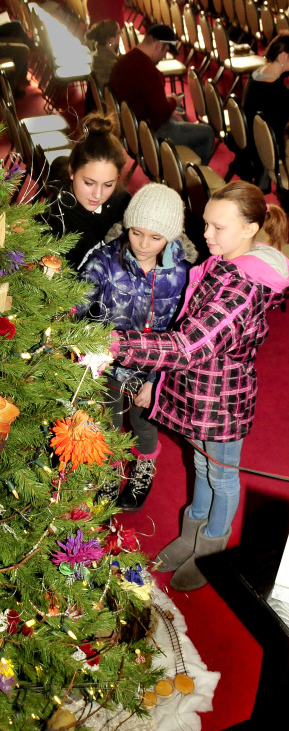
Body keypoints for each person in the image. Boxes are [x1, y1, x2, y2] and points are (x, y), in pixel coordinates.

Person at [105, 182, 289, 590]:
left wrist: (118, 343)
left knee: (221, 476)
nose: (206, 236)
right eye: (205, 223)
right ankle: (191, 536)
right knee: (202, 465)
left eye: (217, 228)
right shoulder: (225, 263)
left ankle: (210, 552)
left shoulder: (242, 288)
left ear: (249, 229)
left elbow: (189, 345)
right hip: (198, 389)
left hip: (222, 399)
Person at [76, 184, 195, 511]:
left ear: (170, 237)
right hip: (105, 367)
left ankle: (144, 467)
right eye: (136, 233)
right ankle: (111, 469)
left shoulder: (183, 276)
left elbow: (179, 333)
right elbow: (77, 305)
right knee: (108, 421)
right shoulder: (104, 261)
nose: (143, 245)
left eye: (155, 238)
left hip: (150, 372)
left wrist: (155, 382)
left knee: (143, 425)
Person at [109, 22, 215, 165]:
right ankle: (191, 176)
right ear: (159, 46)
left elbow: (146, 98)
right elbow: (161, 112)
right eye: (165, 52)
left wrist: (170, 105)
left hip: (132, 127)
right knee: (207, 132)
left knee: (179, 112)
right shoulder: (150, 72)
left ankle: (180, 164)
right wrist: (172, 102)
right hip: (152, 132)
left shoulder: (122, 61)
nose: (163, 57)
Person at [42, 113, 130, 270]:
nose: (97, 195)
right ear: (72, 171)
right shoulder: (52, 219)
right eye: (89, 183)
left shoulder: (123, 202)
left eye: (108, 185)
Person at [242, 34, 289, 190]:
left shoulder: (255, 74)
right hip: (267, 149)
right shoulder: (276, 91)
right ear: (283, 56)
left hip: (251, 139)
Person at [85, 19, 120, 94]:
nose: (120, 36)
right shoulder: (111, 64)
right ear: (111, 40)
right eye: (119, 33)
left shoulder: (96, 54)